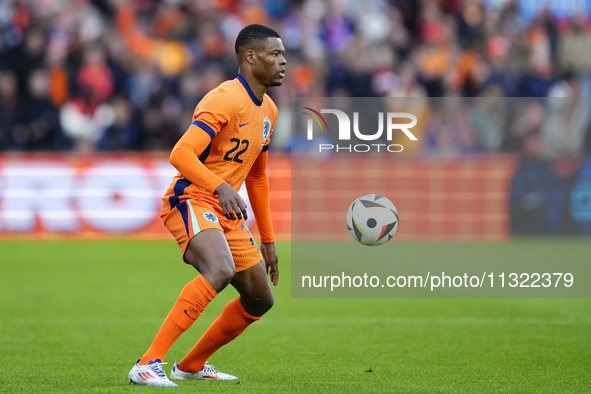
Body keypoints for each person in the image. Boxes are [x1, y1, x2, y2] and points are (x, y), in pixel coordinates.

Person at [128, 24, 286, 387]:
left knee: (261, 298)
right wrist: (220, 187)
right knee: (219, 269)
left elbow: (257, 178)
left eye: (283, 55)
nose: (283, 61)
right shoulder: (225, 98)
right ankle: (148, 363)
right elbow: (180, 153)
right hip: (191, 197)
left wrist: (269, 239)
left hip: (223, 209)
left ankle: (192, 365)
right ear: (250, 57)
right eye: (275, 54)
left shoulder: (269, 112)